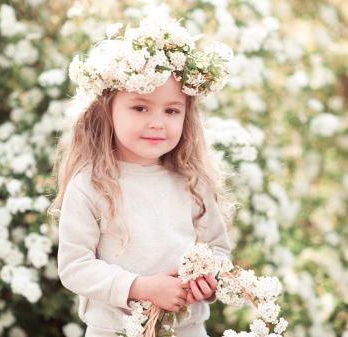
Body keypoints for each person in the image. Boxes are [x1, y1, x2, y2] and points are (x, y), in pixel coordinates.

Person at [49, 14, 234, 337]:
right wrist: (141, 287)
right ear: (107, 110)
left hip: (186, 329)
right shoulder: (91, 184)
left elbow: (217, 250)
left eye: (171, 110)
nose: (157, 122)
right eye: (140, 108)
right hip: (114, 331)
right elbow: (75, 267)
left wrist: (207, 280)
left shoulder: (192, 181)